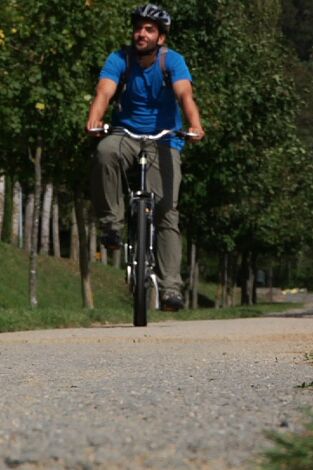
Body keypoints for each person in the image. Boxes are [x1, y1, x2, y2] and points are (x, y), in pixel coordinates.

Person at [86, 3, 204, 311]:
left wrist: (194, 124)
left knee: (167, 210)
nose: (142, 33)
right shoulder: (120, 59)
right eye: (138, 28)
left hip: (164, 140)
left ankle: (169, 290)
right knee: (104, 152)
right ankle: (111, 225)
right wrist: (95, 119)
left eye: (149, 29)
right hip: (126, 134)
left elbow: (184, 95)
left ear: (161, 37)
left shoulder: (172, 61)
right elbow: (104, 92)